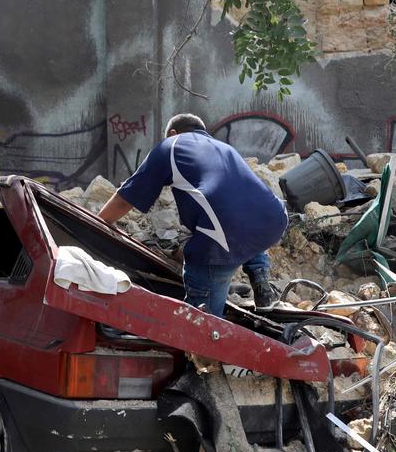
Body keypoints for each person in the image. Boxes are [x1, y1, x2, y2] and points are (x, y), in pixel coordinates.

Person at [99, 113, 287, 316]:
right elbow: (238, 203)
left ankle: (206, 334)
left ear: (172, 133)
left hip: (225, 232)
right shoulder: (224, 148)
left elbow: (125, 198)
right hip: (274, 218)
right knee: (245, 219)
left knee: (204, 321)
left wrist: (99, 222)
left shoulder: (170, 146)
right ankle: (261, 282)